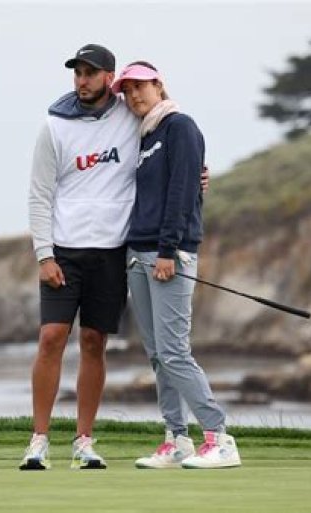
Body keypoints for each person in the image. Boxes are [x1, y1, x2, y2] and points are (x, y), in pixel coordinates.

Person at [23, 45, 209, 471]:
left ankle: (84, 442)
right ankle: (38, 441)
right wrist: (43, 254)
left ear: (110, 78)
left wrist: (199, 173)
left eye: (90, 73)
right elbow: (39, 194)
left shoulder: (133, 116)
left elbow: (170, 152)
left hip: (113, 253)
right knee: (51, 338)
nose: (82, 80)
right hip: (63, 252)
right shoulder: (54, 126)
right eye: (77, 73)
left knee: (94, 343)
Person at [112, 61, 241, 469]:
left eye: (140, 86)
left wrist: (168, 250)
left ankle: (219, 437)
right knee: (157, 355)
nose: (133, 95)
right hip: (138, 254)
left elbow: (182, 191)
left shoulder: (179, 126)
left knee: (174, 352)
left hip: (169, 254)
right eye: (127, 90)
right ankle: (177, 438)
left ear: (158, 85)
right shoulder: (142, 137)